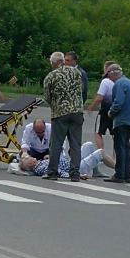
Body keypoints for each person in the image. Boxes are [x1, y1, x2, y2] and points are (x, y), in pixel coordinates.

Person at [42, 51, 84, 181]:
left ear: (54, 63)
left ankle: (52, 172)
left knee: (56, 144)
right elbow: (82, 89)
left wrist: (55, 105)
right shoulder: (77, 72)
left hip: (60, 113)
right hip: (77, 112)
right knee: (75, 144)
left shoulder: (51, 76)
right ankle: (75, 173)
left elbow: (47, 97)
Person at [20, 141, 130, 180]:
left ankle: (96, 172)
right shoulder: (40, 167)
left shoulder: (40, 162)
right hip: (77, 168)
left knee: (88, 145)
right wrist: (77, 174)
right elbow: (59, 172)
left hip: (72, 161)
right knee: (100, 152)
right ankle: (125, 170)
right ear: (30, 164)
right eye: (27, 158)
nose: (29, 156)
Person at [104, 64, 130, 183]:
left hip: (121, 119)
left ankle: (119, 175)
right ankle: (126, 175)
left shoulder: (119, 84)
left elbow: (118, 102)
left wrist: (110, 112)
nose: (108, 78)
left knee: (119, 147)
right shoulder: (129, 82)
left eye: (108, 75)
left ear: (113, 73)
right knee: (125, 147)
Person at [89, 60, 117, 152]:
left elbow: (100, 97)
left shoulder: (105, 81)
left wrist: (91, 107)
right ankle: (118, 153)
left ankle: (101, 153)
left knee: (98, 132)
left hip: (105, 110)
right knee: (115, 133)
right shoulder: (119, 81)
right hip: (115, 110)